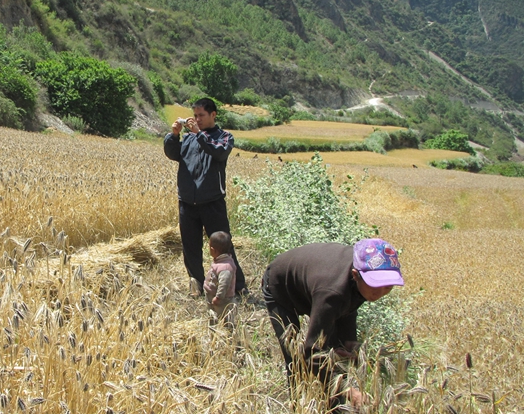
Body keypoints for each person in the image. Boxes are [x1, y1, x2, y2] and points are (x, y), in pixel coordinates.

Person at [261, 238, 405, 407]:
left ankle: (334, 407)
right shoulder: (332, 293)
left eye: (388, 287)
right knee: (295, 359)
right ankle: (299, 406)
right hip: (281, 285)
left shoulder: (363, 279)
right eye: (375, 284)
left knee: (340, 354)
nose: (380, 293)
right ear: (355, 275)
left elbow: (350, 303)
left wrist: (349, 341)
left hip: (318, 284)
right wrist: (347, 390)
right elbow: (313, 352)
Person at [163, 97, 247, 297]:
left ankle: (237, 285)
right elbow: (173, 154)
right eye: (195, 115)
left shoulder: (224, 137)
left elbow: (219, 153)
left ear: (213, 115)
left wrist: (199, 134)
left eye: (201, 115)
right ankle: (197, 285)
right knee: (190, 246)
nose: (197, 119)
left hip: (212, 202)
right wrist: (173, 136)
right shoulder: (189, 138)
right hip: (187, 202)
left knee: (223, 245)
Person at [203, 231, 238, 324]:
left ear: (213, 250)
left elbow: (224, 284)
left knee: (222, 315)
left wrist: (218, 298)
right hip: (212, 294)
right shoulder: (220, 261)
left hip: (221, 299)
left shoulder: (225, 268)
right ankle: (213, 325)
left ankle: (225, 328)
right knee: (212, 314)